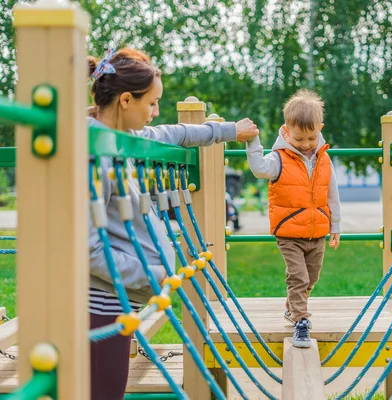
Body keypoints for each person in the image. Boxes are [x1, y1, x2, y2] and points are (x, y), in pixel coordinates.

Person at [87, 47, 258, 400]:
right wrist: (151, 275)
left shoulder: (124, 139)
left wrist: (227, 130)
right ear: (125, 101)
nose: (155, 112)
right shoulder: (97, 156)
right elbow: (85, 247)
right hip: (100, 306)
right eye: (151, 103)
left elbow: (175, 134)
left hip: (117, 303)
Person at [245, 89, 341, 348]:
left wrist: (336, 225)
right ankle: (300, 320)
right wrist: (253, 143)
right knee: (298, 277)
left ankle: (291, 308)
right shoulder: (279, 159)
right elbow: (258, 168)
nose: (306, 143)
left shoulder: (324, 159)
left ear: (320, 128)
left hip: (317, 231)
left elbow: (332, 194)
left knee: (312, 277)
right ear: (286, 131)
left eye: (312, 137)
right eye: (299, 138)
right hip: (289, 233)